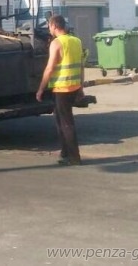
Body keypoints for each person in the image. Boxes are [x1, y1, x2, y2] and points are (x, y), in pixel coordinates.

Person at [36, 15, 84, 166]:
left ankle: (74, 157)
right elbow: (81, 66)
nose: (49, 29)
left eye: (49, 26)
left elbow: (50, 68)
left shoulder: (56, 43)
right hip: (74, 87)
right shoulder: (76, 41)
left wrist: (40, 89)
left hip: (61, 88)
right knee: (61, 122)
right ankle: (65, 153)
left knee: (66, 123)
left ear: (54, 26)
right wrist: (81, 87)